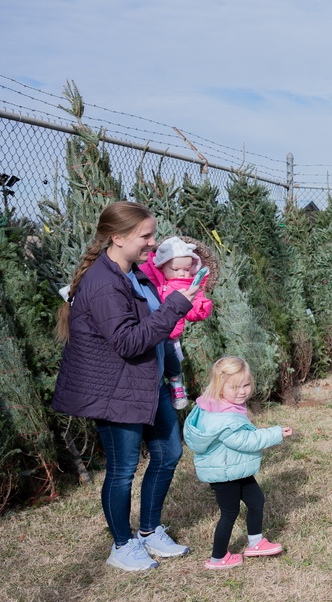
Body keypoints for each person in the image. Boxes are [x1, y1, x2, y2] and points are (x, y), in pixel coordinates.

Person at [52, 201, 198, 571]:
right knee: (122, 469)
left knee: (168, 453)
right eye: (145, 236)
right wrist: (177, 306)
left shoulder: (135, 272)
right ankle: (121, 544)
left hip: (148, 383)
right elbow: (129, 342)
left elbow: (155, 328)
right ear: (117, 238)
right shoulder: (103, 284)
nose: (153, 243)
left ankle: (149, 531)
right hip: (116, 390)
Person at [183, 356, 292, 570]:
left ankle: (255, 542)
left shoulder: (217, 403)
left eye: (246, 384)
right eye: (235, 387)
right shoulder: (223, 418)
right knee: (230, 512)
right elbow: (244, 441)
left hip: (234, 466)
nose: (242, 391)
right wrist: (275, 433)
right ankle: (217, 557)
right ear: (219, 386)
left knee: (256, 500)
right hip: (224, 472)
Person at [138, 236, 214, 410]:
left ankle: (176, 383)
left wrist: (201, 306)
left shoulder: (189, 285)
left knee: (170, 357)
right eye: (176, 269)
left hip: (170, 332)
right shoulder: (152, 280)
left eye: (187, 269)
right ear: (161, 267)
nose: (182, 273)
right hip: (150, 328)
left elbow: (194, 308)